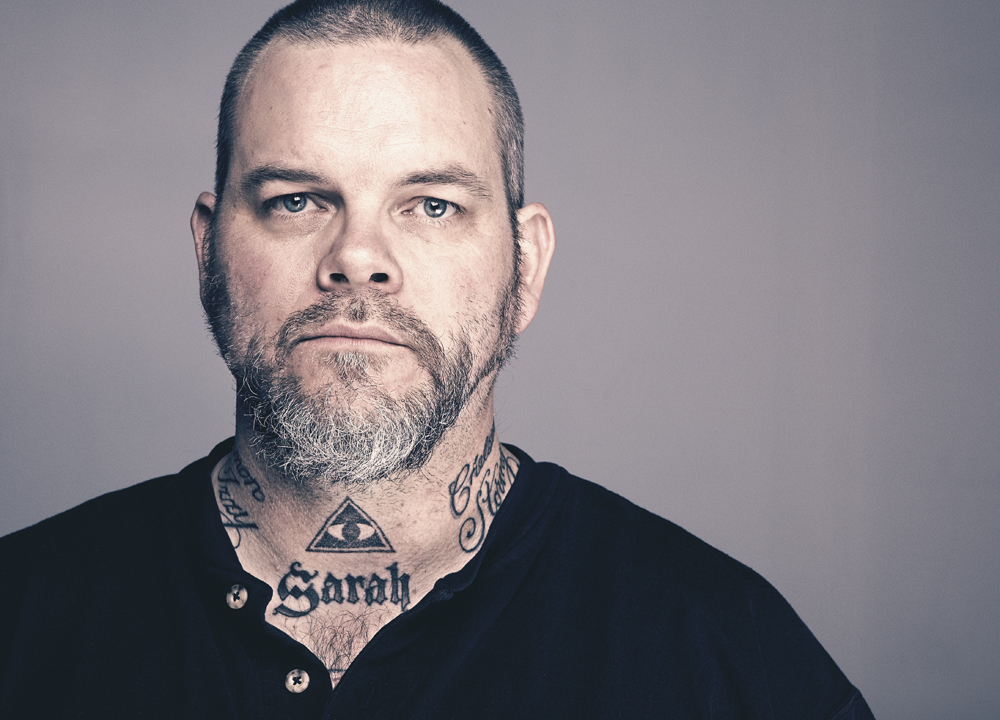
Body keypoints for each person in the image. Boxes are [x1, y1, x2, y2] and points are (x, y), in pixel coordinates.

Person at [0, 0, 875, 717]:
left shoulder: (728, 653)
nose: (358, 257)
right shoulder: (24, 617)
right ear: (207, 250)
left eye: (431, 206)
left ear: (525, 266)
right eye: (297, 200)